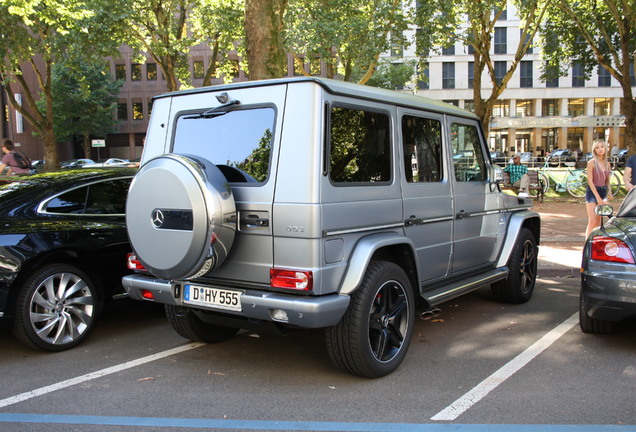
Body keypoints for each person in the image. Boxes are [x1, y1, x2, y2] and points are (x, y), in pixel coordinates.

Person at [585, 141, 613, 238]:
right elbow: (590, 181)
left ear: (605, 148)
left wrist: (609, 192)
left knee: (598, 221)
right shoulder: (591, 163)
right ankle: (587, 243)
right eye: (597, 148)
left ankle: (593, 243)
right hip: (592, 192)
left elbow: (607, 181)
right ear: (594, 150)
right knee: (592, 221)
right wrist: (597, 197)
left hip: (603, 191)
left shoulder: (607, 164)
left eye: (602, 147)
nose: (600, 149)